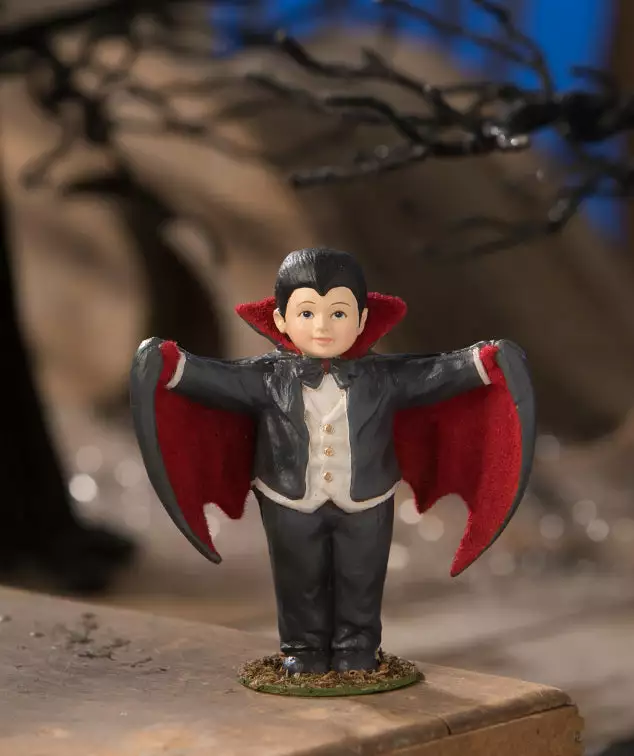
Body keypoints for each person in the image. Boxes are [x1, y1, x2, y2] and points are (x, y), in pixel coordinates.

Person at [130, 247, 535, 674]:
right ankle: (303, 650)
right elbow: (212, 379)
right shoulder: (265, 377)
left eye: (338, 313)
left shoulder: (383, 378)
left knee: (361, 577)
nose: (322, 326)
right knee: (298, 578)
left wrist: (484, 362)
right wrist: (170, 364)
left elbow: (436, 374)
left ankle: (356, 649)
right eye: (307, 313)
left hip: (367, 499)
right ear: (281, 320)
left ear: (361, 320)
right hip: (288, 499)